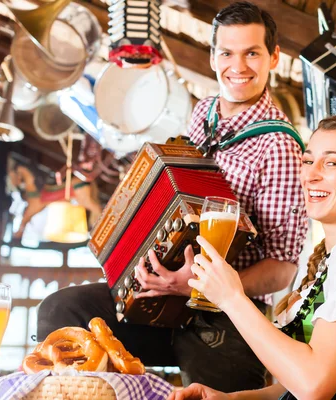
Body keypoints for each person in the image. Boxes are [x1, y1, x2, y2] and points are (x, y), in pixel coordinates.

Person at [36, 1, 308, 392]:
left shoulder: (280, 145)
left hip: (224, 316)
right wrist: (144, 266)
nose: (239, 66)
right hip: (161, 300)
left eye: (252, 53)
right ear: (213, 56)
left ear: (274, 57)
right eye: (227, 53)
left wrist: (196, 285)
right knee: (62, 309)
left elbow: (282, 268)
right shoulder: (204, 113)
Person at [170, 115, 336, 400]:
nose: (311, 174)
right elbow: (291, 388)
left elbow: (314, 386)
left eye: (331, 163)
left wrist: (232, 298)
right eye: (308, 161)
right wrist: (226, 399)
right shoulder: (331, 263)